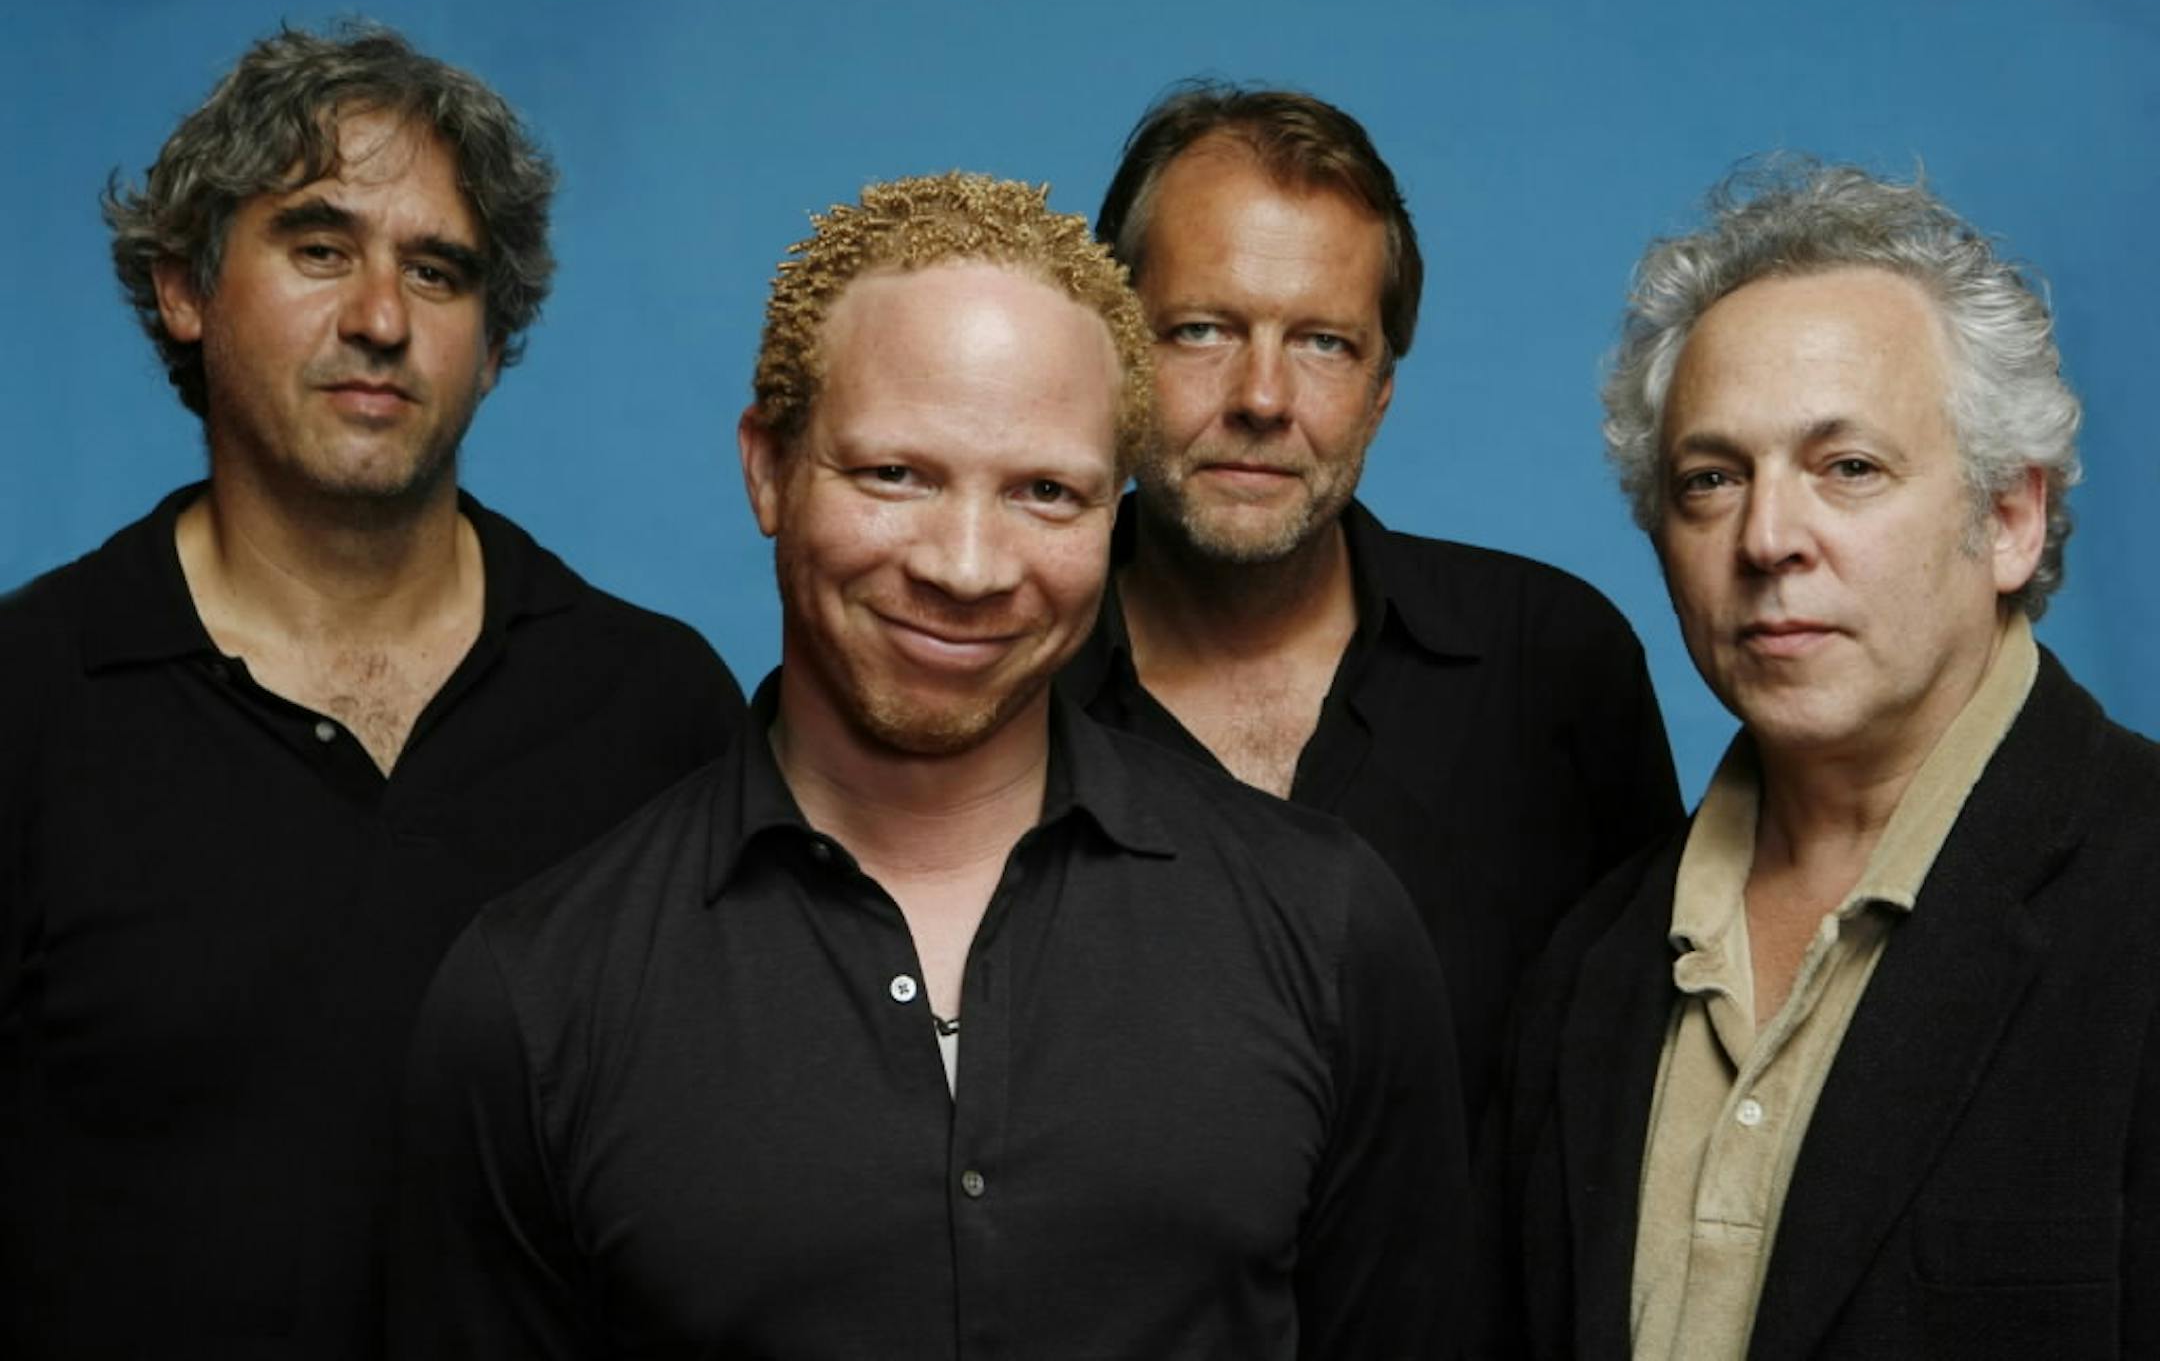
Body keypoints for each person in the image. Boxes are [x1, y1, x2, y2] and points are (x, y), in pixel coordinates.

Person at [393, 173, 1465, 1359]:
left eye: (1044, 492)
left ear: (1114, 513)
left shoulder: (1327, 925)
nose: (966, 566)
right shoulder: (537, 994)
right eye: (896, 474)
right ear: (767, 467)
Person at [0, 23, 743, 1359]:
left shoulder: (657, 706)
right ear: (184, 286)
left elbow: (746, 1186)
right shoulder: (28, 696)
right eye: (319, 246)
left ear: (495, 342)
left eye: (440, 272)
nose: (382, 320)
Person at [1473, 159, 2160, 1358]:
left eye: (1849, 467)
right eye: (1711, 479)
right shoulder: (1588, 969)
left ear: (2010, 519)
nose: (1769, 538)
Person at [1060, 84, 1682, 1126]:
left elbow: (1649, 1092)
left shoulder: (1555, 664)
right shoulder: (1003, 683)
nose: (1262, 397)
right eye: (1204, 328)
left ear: (1381, 390)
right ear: (1112, 355)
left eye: (1324, 344)